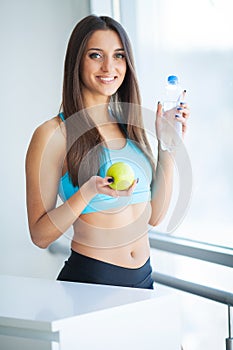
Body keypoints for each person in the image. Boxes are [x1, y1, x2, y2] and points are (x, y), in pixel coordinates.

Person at [25, 14, 190, 289]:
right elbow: (40, 236)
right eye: (96, 55)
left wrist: (167, 145)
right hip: (92, 281)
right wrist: (87, 193)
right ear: (77, 60)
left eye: (119, 56)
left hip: (143, 279)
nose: (109, 67)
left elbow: (154, 217)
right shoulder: (54, 134)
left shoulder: (129, 128)